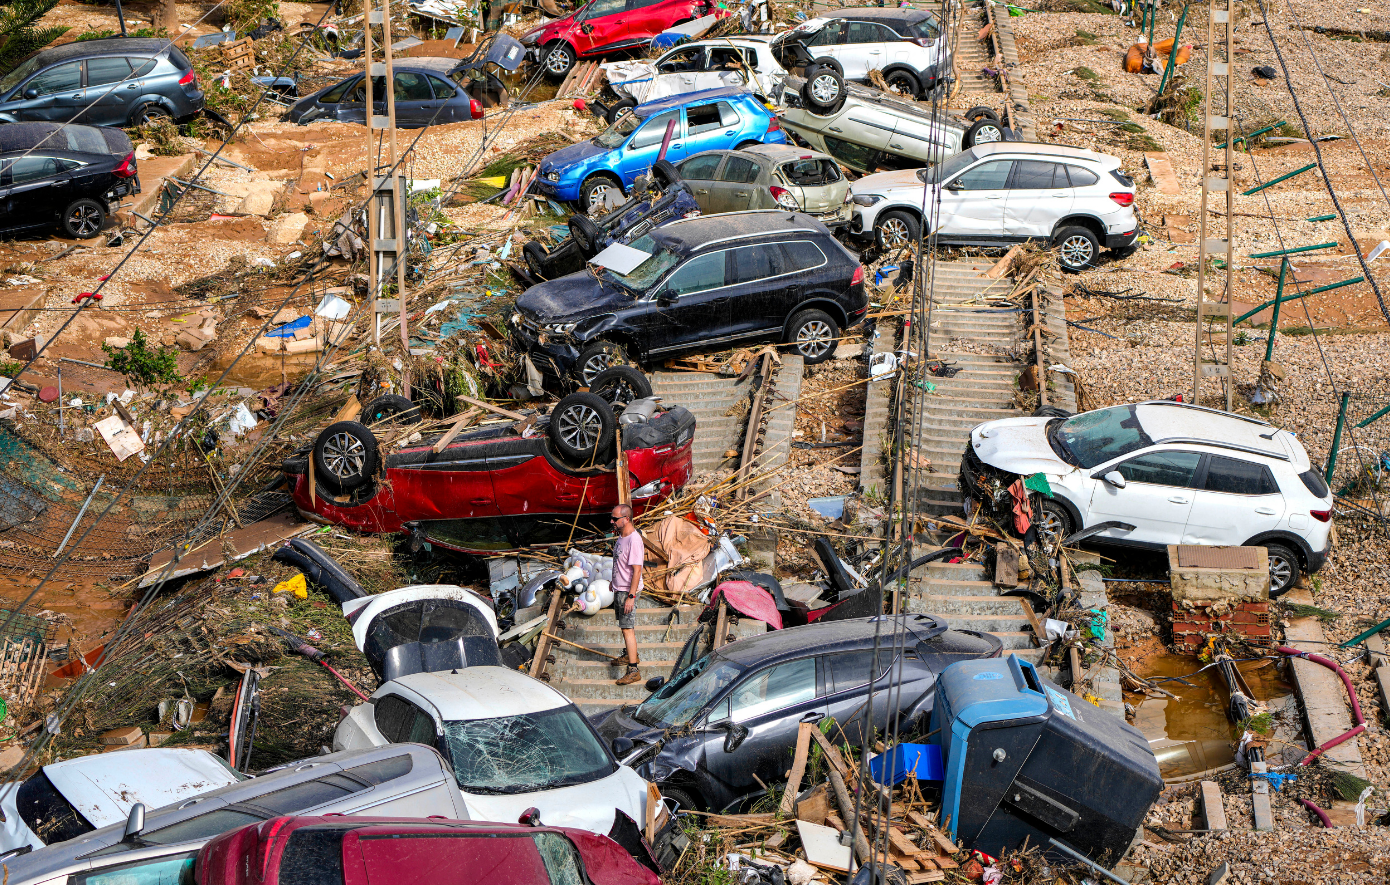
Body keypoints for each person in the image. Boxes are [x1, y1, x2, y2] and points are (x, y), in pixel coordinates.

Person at [609, 504, 644, 686]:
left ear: (626, 519)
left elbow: (637, 571)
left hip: (628, 591)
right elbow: (619, 564)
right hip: (619, 588)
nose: (612, 521)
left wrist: (631, 596)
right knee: (624, 627)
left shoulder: (634, 540)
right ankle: (630, 655)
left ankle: (633, 669)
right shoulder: (621, 537)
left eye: (615, 519)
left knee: (627, 628)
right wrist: (612, 581)